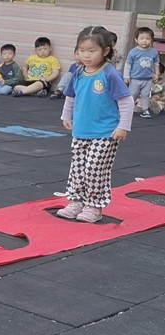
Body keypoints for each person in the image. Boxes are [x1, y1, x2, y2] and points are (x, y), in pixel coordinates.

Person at [55, 26, 132, 223]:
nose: (86, 55)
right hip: (81, 131)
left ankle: (94, 206)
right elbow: (71, 96)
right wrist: (66, 115)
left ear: (105, 51)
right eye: (82, 50)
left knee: (95, 169)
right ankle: (77, 201)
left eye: (92, 51)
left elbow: (126, 100)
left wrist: (123, 126)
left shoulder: (110, 74)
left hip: (105, 132)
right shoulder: (78, 72)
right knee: (78, 168)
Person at [123, 26, 160, 118]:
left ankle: (145, 110)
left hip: (148, 79)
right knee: (132, 94)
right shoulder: (133, 52)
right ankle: (128, 110)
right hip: (135, 79)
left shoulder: (154, 52)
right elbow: (128, 64)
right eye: (142, 38)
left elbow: (156, 63)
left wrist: (157, 73)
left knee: (146, 95)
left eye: (147, 39)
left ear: (151, 40)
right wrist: (126, 76)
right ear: (136, 39)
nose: (144, 41)